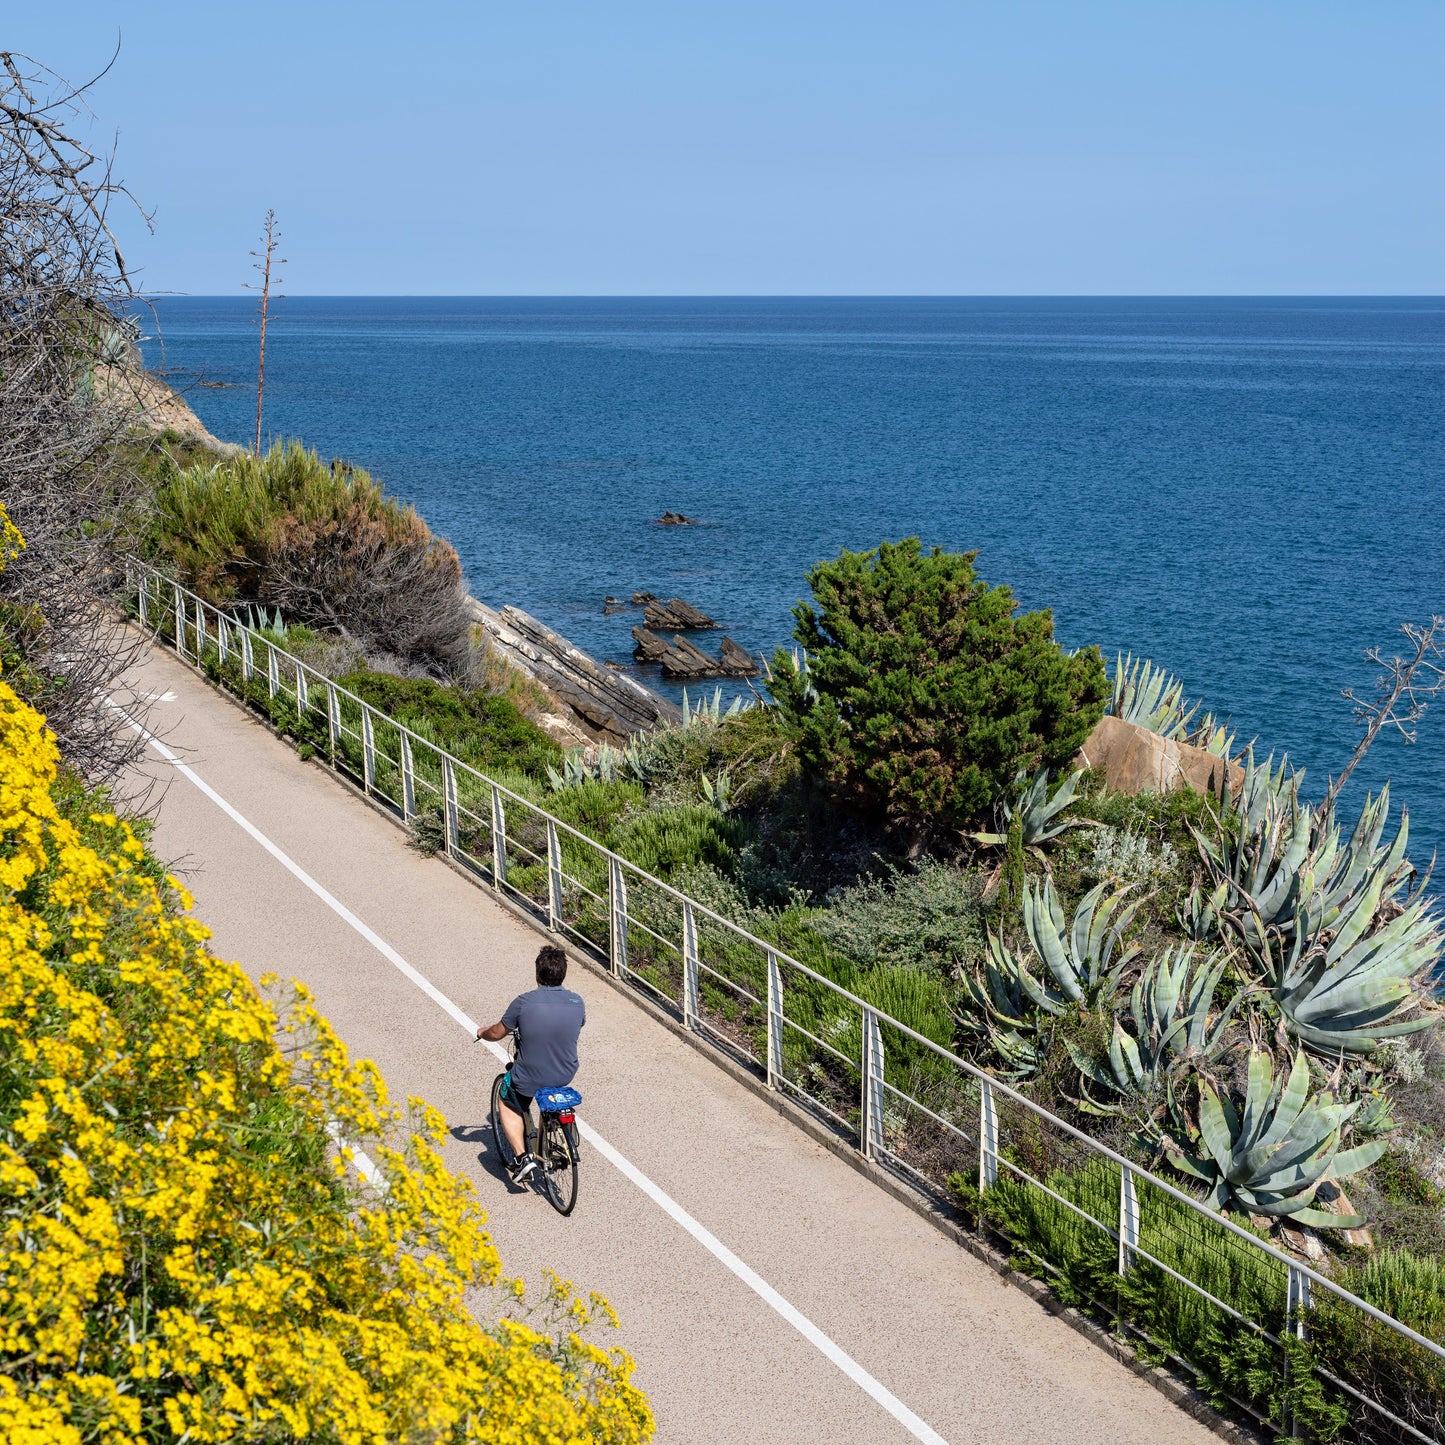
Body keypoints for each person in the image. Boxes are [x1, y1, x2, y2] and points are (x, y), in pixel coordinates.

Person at [477, 944, 585, 1184]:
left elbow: (497, 1032)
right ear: (563, 974)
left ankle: (522, 1159)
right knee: (545, 1092)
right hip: (566, 1072)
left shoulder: (523, 1003)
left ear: (538, 974)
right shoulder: (577, 1002)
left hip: (530, 1076)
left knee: (507, 1099)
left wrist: (482, 1032)